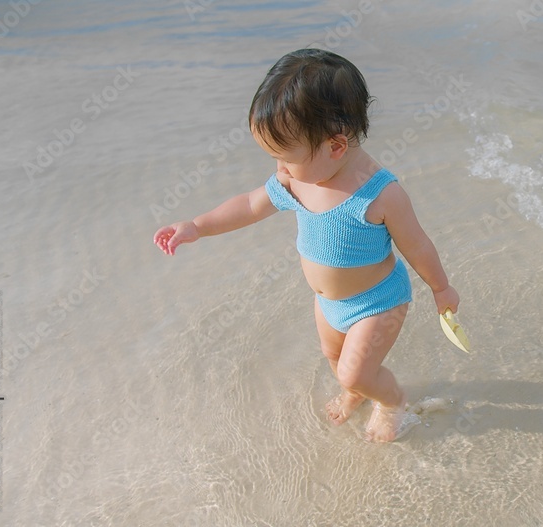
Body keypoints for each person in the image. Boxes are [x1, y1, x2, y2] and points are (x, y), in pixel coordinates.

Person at [153, 49, 460, 442]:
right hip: (328, 304)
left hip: (378, 302)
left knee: (356, 370)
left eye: (285, 159)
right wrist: (196, 226)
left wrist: (440, 288)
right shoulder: (296, 182)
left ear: (335, 146)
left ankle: (390, 401)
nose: (278, 169)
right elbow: (248, 206)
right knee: (335, 360)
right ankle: (356, 391)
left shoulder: (380, 194)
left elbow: (417, 245)